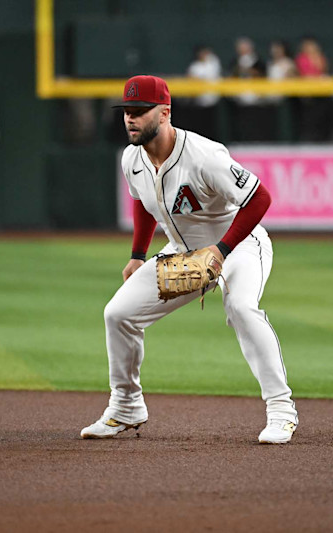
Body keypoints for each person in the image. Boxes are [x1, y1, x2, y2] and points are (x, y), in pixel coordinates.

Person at [80, 75, 299, 444]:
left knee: (242, 309)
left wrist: (221, 251)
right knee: (118, 315)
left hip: (239, 246)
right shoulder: (132, 158)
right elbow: (142, 201)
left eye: (139, 111)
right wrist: (137, 254)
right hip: (181, 251)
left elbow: (259, 199)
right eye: (126, 111)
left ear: (164, 113)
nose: (130, 119)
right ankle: (126, 406)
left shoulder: (203, 156)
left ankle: (281, 410)